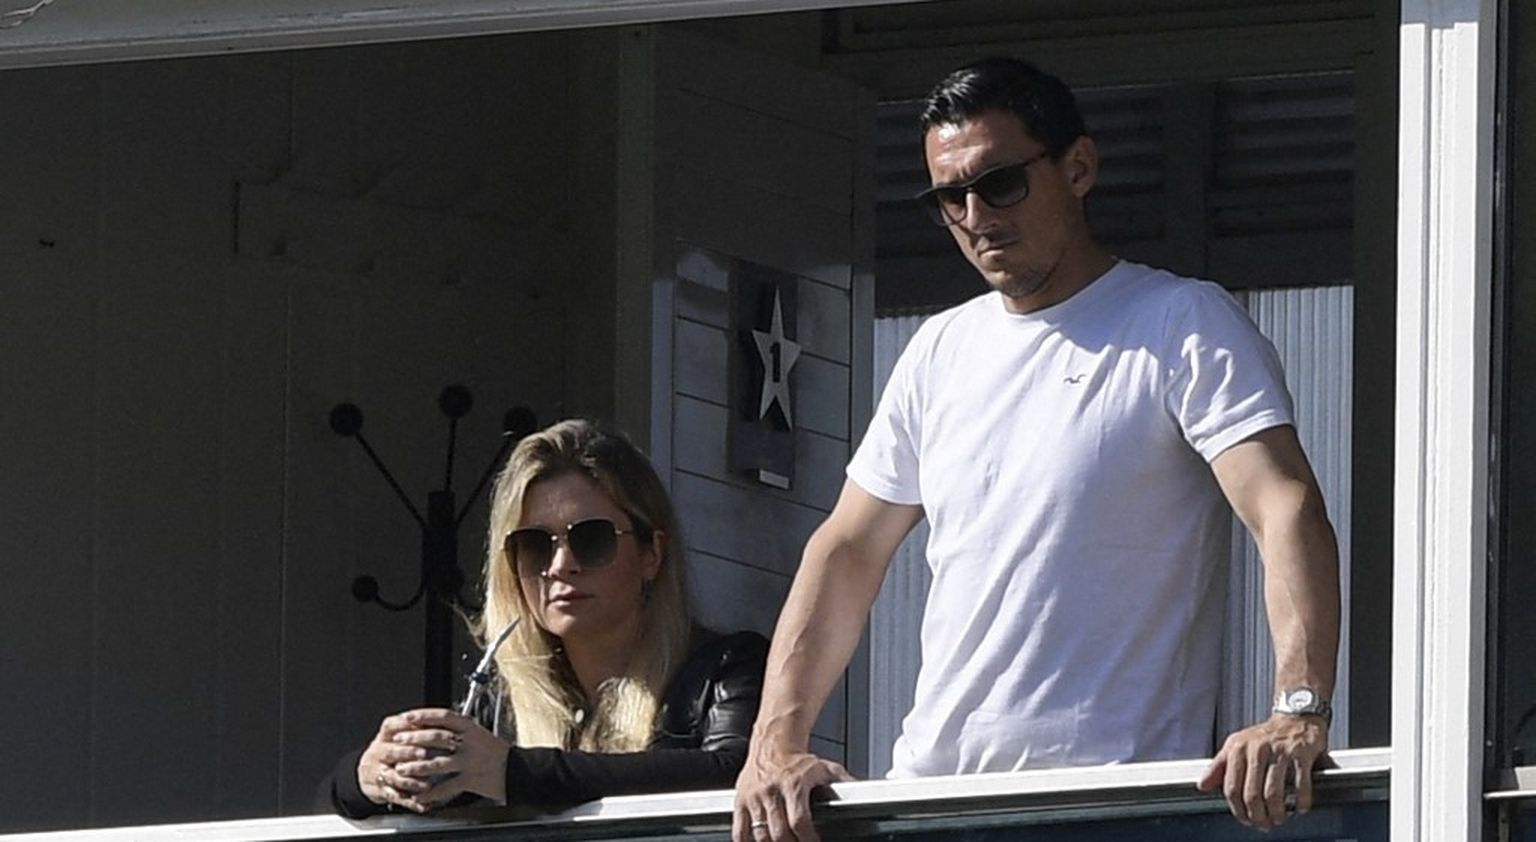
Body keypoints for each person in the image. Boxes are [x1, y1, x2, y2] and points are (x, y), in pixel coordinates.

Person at [733, 57, 1340, 839]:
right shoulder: (938, 351)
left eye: (1000, 183)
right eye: (949, 197)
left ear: (1078, 167)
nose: (975, 215)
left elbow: (1283, 504)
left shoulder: (1181, 322)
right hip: (934, 807)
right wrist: (775, 745)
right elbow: (847, 549)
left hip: (1118, 808)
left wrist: (1297, 710)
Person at [323, 418, 768, 817]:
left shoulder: (728, 667)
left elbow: (738, 772)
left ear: (652, 552)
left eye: (591, 540)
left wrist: (515, 773)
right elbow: (339, 795)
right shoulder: (501, 704)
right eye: (534, 545)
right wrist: (371, 777)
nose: (560, 566)